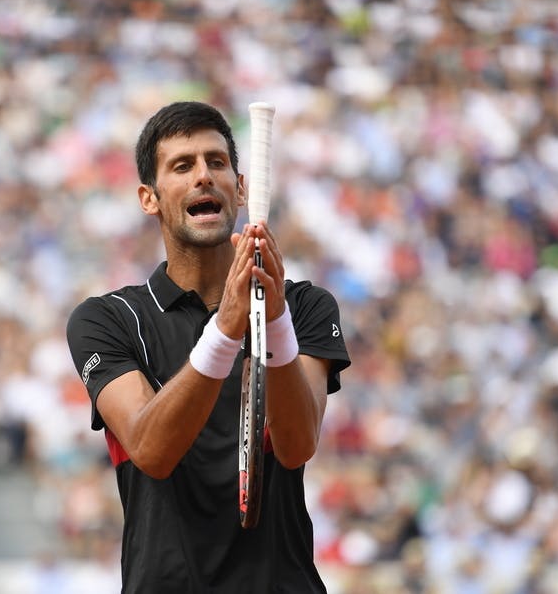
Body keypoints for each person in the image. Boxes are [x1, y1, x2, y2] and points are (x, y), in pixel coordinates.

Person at [66, 101, 350, 593]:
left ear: (241, 189)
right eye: (182, 166)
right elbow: (151, 449)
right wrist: (225, 331)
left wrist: (273, 318)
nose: (203, 176)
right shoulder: (109, 320)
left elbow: (298, 442)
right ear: (149, 198)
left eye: (217, 163)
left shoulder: (302, 307)